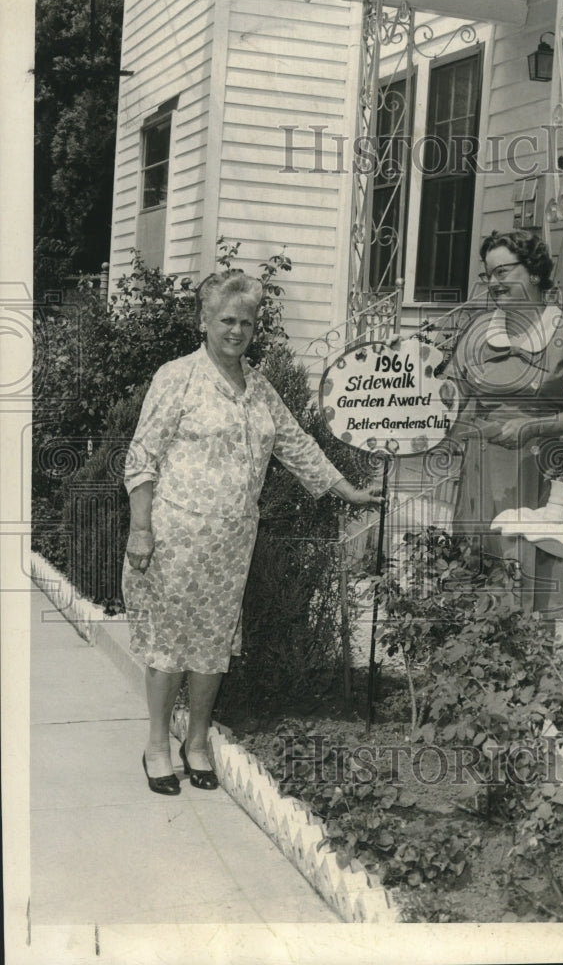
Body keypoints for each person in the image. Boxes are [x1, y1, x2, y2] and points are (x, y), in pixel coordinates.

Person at [123, 271, 382, 795]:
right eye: (226, 320)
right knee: (169, 643)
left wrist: (346, 490)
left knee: (213, 645)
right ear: (203, 321)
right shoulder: (176, 377)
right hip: (174, 537)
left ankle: (196, 741)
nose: (236, 331)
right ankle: (156, 743)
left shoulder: (259, 388)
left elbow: (298, 444)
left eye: (246, 322)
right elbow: (141, 460)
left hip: (231, 543)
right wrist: (140, 529)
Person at [448, 228, 563, 613]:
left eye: (502, 272)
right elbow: (447, 398)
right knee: (478, 567)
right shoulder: (477, 334)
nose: (493, 283)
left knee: (530, 565)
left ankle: (530, 662)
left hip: (540, 473)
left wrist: (536, 426)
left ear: (533, 272)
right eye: (488, 274)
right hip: (481, 473)